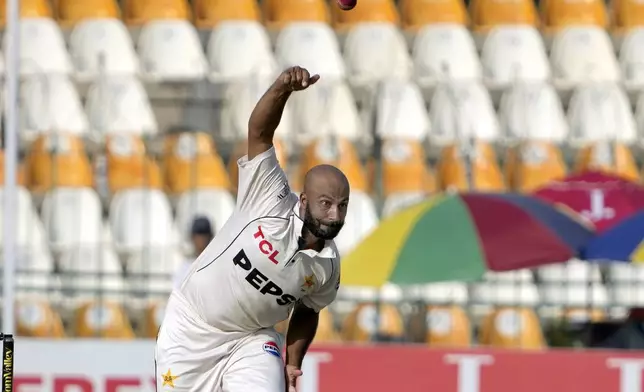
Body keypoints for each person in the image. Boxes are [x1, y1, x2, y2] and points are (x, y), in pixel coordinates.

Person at [155, 66, 349, 392]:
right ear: (304, 200)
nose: (334, 215)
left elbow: (308, 309)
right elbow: (258, 132)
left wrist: (293, 361)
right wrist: (282, 88)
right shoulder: (268, 197)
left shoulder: (327, 265)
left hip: (252, 340)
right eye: (326, 203)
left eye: (342, 206)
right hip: (192, 327)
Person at [173, 216, 215, 289]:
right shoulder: (185, 267)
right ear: (192, 237)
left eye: (204, 235)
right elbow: (177, 291)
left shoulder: (216, 263)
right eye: (198, 235)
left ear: (210, 237)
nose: (201, 240)